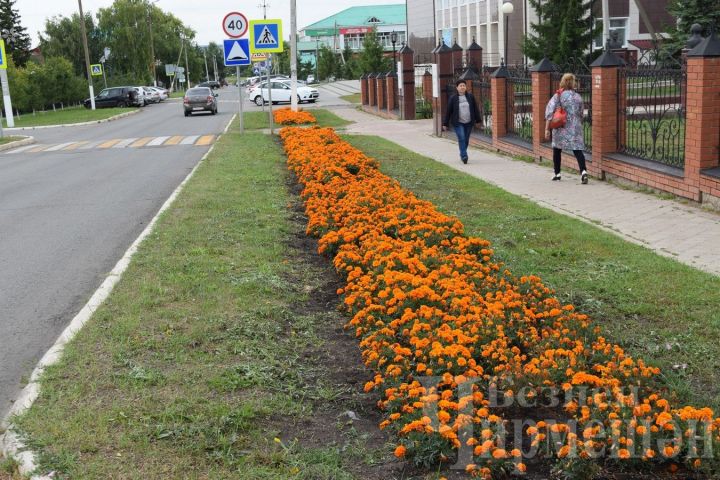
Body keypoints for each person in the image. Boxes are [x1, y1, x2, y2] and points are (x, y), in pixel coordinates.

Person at [544, 73, 588, 184]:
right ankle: (583, 172)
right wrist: (578, 123)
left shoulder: (558, 95)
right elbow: (581, 113)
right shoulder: (578, 97)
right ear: (572, 83)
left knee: (557, 149)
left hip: (561, 127)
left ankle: (557, 174)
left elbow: (549, 112)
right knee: (578, 150)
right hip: (575, 127)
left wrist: (547, 129)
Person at [442, 79, 481, 164]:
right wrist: (445, 123)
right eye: (460, 86)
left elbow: (475, 109)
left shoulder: (470, 96)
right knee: (462, 138)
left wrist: (478, 120)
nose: (462, 87)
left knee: (466, 139)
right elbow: (449, 111)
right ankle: (464, 155)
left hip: (469, 122)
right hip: (458, 122)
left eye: (464, 85)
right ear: (457, 88)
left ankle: (462, 152)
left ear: (466, 87)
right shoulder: (453, 98)